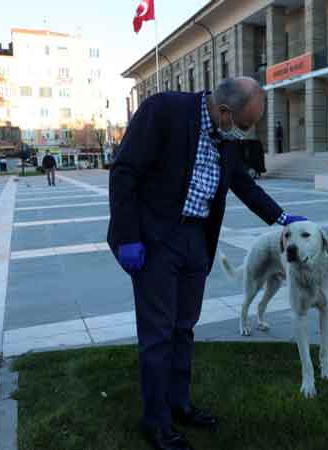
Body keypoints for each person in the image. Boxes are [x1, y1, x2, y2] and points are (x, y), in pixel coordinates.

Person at [108, 77, 307, 450]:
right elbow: (124, 173)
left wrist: (281, 219)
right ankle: (156, 422)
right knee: (158, 334)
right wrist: (129, 236)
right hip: (155, 240)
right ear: (225, 112)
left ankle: (179, 403)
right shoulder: (164, 110)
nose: (247, 133)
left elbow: (244, 186)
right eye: (245, 124)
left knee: (184, 328)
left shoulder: (225, 135)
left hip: (195, 241)